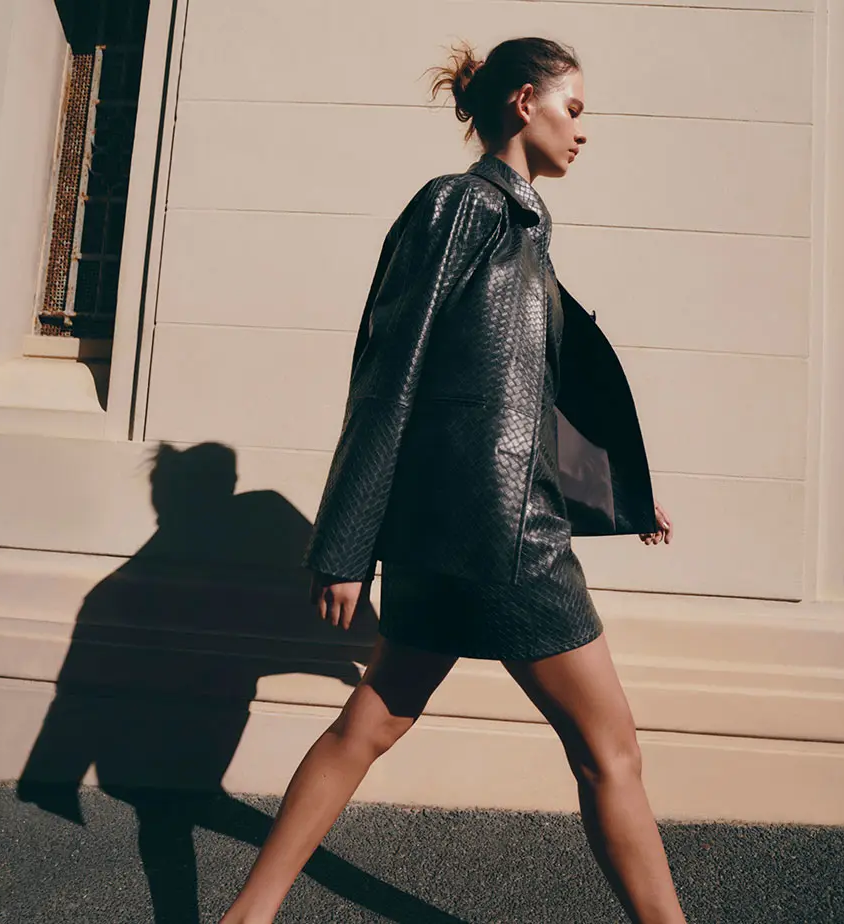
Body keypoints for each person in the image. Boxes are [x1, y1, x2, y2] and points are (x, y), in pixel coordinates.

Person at [220, 37, 686, 924]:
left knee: (373, 721)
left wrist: (623, 491)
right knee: (611, 752)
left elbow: (528, 397)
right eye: (573, 109)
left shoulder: (525, 232)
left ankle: (248, 917)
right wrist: (345, 546)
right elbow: (389, 372)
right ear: (524, 102)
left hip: (457, 532)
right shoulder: (462, 206)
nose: (583, 130)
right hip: (506, 540)